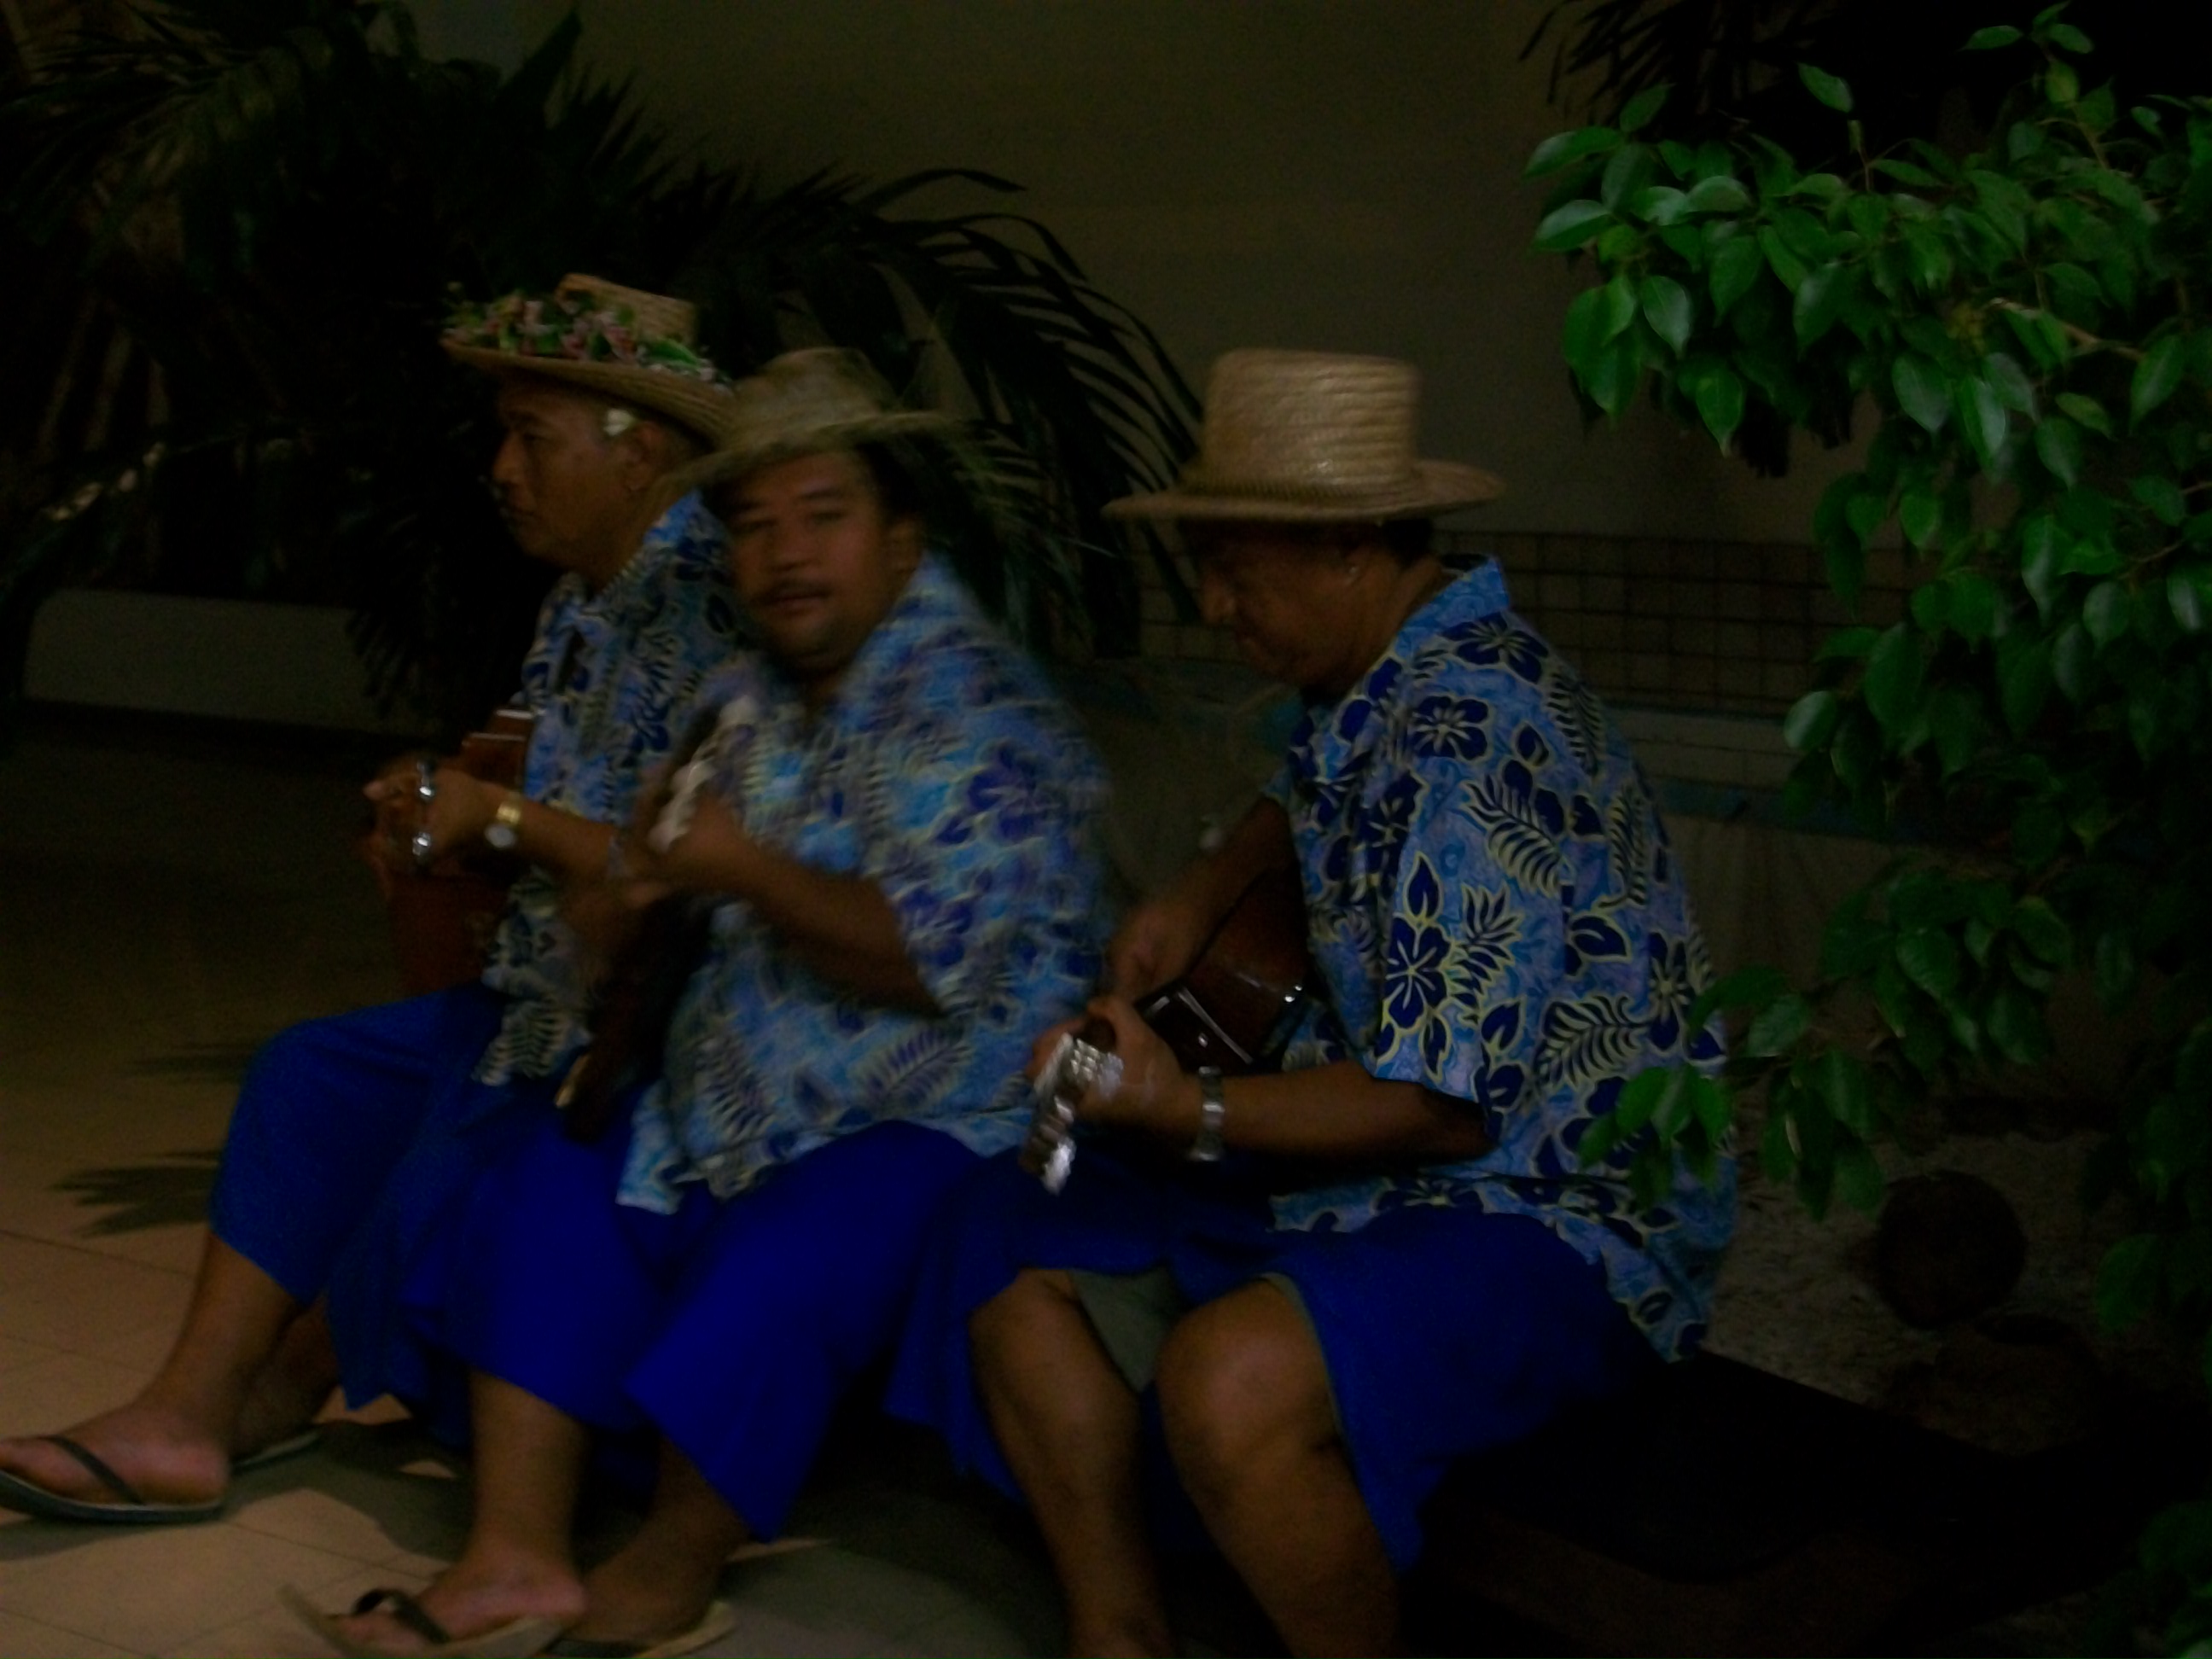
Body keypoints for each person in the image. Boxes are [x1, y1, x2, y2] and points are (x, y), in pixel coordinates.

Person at [884, 348, 1736, 1659]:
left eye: (1236, 570)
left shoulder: (1470, 734)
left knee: (1231, 1381)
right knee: (1007, 1235)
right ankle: (1120, 1634)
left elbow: (1441, 1111)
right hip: (1383, 1160)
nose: (1213, 605)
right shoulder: (1373, 675)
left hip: (1557, 1205)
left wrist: (1185, 1105)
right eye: (1204, 567)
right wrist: (1200, 885)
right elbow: (1309, 788)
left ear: (1350, 547)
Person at [286, 349, 1109, 1659]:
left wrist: (741, 870)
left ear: (900, 540)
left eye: (823, 515)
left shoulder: (979, 709)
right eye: (756, 524)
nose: (787, 554)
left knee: (790, 1250)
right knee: (551, 1177)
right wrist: (621, 903)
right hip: (735, 1079)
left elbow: (926, 962)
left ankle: (670, 1569)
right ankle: (514, 1559)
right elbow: (652, 876)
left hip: (941, 1115)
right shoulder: (744, 696)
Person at [0, 276, 744, 1525]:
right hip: (545, 998)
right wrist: (446, 805)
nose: (501, 469)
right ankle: (192, 1405)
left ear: (640, 453)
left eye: (533, 438)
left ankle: (259, 1399)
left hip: (656, 1032)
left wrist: (497, 818)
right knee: (311, 1075)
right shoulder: (585, 597)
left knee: (462, 1137)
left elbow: (694, 871)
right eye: (501, 435)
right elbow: (555, 804)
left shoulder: (705, 603)